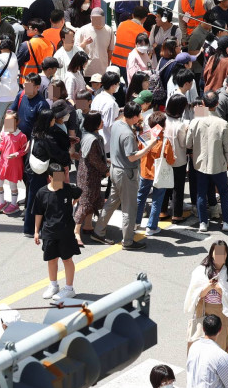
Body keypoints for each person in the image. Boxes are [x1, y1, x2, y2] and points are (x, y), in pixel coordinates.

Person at [96, 103, 152, 250]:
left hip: (115, 169)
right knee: (129, 208)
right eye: (139, 115)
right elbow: (132, 157)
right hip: (126, 173)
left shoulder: (117, 124)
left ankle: (98, 230)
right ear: (134, 117)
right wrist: (149, 146)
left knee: (112, 202)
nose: (141, 117)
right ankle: (127, 241)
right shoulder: (127, 134)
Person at [185, 92, 228, 233]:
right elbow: (227, 146)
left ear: (203, 104)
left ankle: (203, 223)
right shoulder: (222, 123)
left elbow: (188, 143)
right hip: (218, 163)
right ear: (217, 104)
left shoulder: (195, 121)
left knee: (201, 193)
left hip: (200, 163)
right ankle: (227, 222)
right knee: (224, 192)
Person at [35, 162, 82, 302]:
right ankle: (53, 285)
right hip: (49, 232)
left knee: (67, 259)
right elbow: (38, 213)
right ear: (50, 177)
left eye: (62, 177)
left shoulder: (68, 189)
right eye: (57, 178)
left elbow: (79, 193)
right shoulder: (42, 193)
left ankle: (69, 289)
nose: (60, 181)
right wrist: (36, 231)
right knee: (51, 259)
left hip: (66, 231)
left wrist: (73, 203)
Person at [183, 240, 228, 354]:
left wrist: (219, 289)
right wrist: (208, 287)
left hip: (221, 311)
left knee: (220, 343)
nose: (219, 256)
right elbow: (196, 293)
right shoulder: (201, 270)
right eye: (217, 253)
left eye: (223, 253)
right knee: (200, 341)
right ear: (211, 253)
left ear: (227, 255)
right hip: (204, 310)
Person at [75, 111, 108, 243]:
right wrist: (106, 170)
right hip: (89, 176)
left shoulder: (89, 136)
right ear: (95, 123)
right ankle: (75, 232)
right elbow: (94, 159)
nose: (103, 123)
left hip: (89, 173)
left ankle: (88, 225)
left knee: (92, 200)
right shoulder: (93, 139)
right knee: (85, 203)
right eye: (101, 121)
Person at [0, 109, 27, 214]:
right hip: (3, 163)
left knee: (13, 186)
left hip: (14, 165)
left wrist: (16, 154)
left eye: (10, 121)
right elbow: (1, 147)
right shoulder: (4, 133)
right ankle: (2, 202)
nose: (8, 124)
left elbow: (24, 150)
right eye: (6, 121)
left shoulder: (22, 136)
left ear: (17, 122)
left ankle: (14, 204)